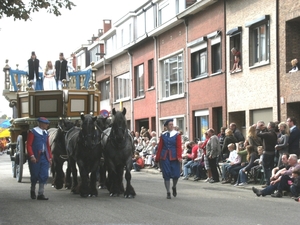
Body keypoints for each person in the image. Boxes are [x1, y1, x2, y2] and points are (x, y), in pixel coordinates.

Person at [155, 119, 182, 199]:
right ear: (166, 126)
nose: (171, 126)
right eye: (170, 124)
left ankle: (174, 186)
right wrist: (157, 158)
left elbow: (179, 146)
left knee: (176, 174)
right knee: (166, 174)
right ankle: (168, 191)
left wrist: (179, 156)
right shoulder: (163, 135)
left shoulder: (177, 134)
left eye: (172, 124)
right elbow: (160, 147)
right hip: (165, 156)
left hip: (174, 156)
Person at [27, 117, 52, 200]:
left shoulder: (46, 133)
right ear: (41, 124)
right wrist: (31, 155)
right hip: (36, 157)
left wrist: (50, 157)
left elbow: (47, 146)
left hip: (44, 156)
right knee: (34, 174)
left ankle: (40, 193)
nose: (47, 125)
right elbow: (29, 145)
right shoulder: (33, 132)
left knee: (44, 174)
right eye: (46, 123)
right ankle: (32, 190)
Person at [256, 121, 277, 186]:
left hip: (267, 152)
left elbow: (258, 134)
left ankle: (267, 181)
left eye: (268, 125)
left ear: (270, 126)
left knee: (265, 167)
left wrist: (258, 127)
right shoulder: (274, 134)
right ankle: (271, 181)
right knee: (271, 167)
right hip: (273, 152)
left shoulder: (268, 134)